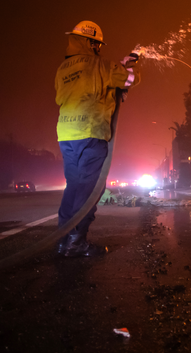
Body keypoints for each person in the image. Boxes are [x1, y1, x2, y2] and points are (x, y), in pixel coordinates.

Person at [55, 20, 140, 257]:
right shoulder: (100, 65)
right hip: (91, 133)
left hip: (66, 135)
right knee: (90, 190)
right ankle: (75, 242)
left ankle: (62, 240)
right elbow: (130, 80)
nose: (99, 49)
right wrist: (129, 65)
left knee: (73, 187)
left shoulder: (63, 68)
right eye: (98, 45)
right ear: (92, 43)